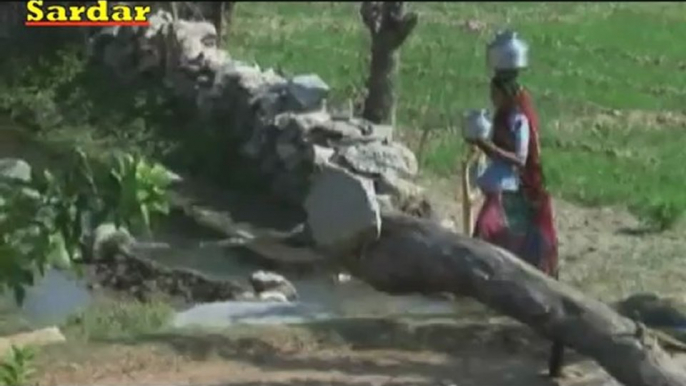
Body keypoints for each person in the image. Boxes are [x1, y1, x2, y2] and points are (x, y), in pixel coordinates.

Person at [466, 69, 564, 378]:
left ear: (506, 94)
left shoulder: (518, 120)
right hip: (505, 187)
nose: (492, 99)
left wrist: (488, 148)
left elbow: (520, 159)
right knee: (487, 231)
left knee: (491, 229)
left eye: (495, 94)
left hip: (520, 190)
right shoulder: (502, 117)